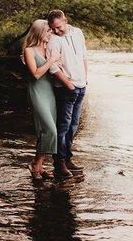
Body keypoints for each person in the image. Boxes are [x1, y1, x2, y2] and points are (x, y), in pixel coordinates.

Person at [46, 9, 88, 179]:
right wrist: (69, 85)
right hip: (65, 88)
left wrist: (85, 78)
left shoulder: (78, 33)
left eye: (58, 27)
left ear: (65, 20)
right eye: (53, 28)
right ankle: (59, 164)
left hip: (81, 85)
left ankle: (67, 158)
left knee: (74, 126)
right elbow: (53, 68)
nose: (56, 31)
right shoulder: (54, 41)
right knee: (63, 126)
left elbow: (84, 55)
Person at [22, 19, 61, 180]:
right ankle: (35, 164)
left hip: (50, 92)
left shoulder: (49, 48)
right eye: (48, 31)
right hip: (37, 91)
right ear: (39, 32)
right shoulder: (29, 51)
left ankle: (39, 166)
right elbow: (36, 74)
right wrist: (51, 60)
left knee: (46, 131)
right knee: (51, 130)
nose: (51, 33)